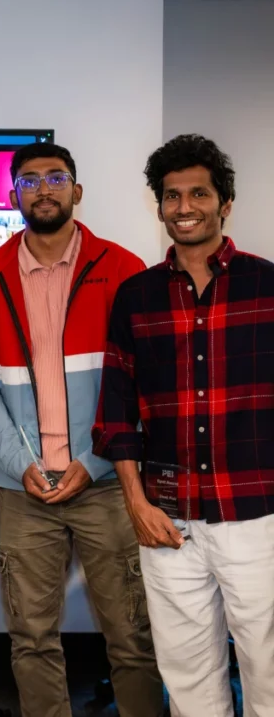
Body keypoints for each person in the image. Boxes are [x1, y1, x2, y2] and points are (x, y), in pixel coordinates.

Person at [0, 142, 164, 717]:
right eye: (29, 180)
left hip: (105, 485)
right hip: (25, 491)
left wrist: (94, 461)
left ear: (77, 190)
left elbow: (142, 383)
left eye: (56, 177)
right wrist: (18, 462)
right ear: (13, 194)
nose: (43, 188)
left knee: (132, 640)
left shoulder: (122, 270)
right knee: (31, 641)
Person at [93, 133, 274, 716]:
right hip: (167, 519)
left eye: (199, 193)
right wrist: (137, 504)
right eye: (172, 196)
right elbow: (116, 411)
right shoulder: (136, 297)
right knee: (189, 679)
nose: (185, 207)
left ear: (225, 203)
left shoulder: (267, 287)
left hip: (257, 515)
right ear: (160, 205)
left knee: (269, 672)